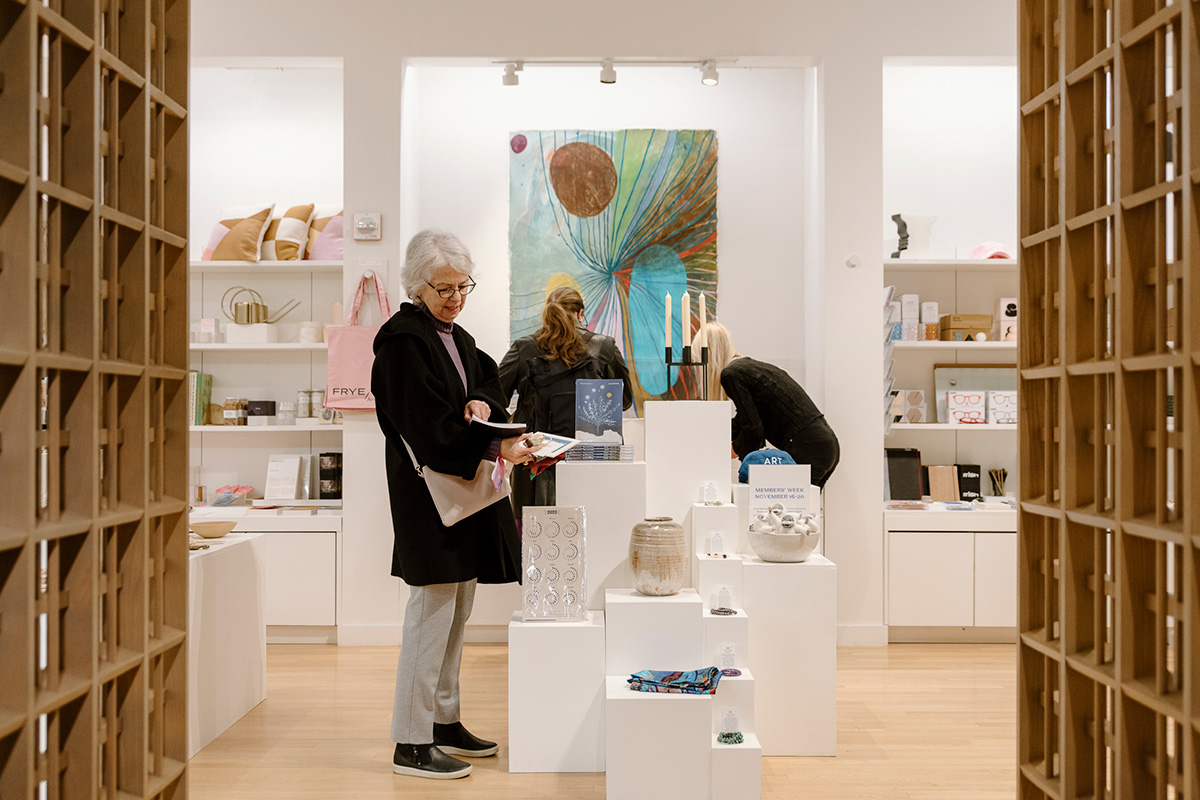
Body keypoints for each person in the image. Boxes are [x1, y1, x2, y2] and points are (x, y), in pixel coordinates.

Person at [371, 228, 536, 780]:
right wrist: (494, 441)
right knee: (430, 613)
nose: (455, 297)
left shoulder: (454, 336)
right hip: (428, 499)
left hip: (458, 495)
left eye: (462, 286)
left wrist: (480, 402)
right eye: (444, 288)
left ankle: (443, 722)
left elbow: (490, 381)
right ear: (416, 286)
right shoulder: (401, 343)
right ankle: (410, 742)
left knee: (457, 610)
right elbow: (427, 429)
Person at [497, 286, 633, 517]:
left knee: (535, 544)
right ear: (581, 313)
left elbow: (494, 398)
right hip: (592, 463)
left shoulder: (523, 348)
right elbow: (625, 401)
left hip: (534, 467)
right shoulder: (604, 348)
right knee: (598, 535)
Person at [705, 321, 840, 489]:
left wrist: (733, 450)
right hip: (826, 444)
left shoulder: (732, 375)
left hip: (807, 446)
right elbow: (745, 419)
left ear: (708, 355)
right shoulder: (750, 368)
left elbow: (753, 429)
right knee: (803, 513)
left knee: (790, 511)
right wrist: (717, 435)